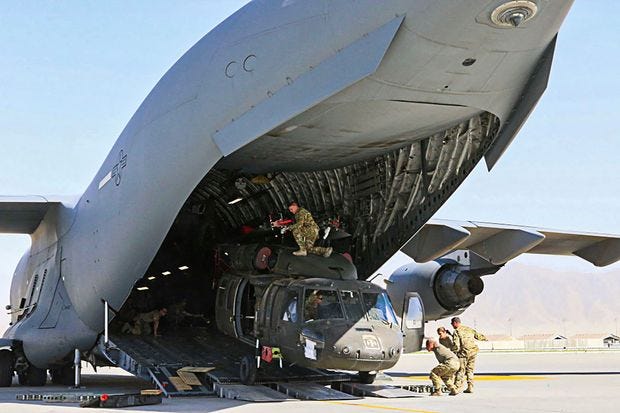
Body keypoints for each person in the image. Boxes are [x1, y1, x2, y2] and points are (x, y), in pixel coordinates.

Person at [451, 317, 487, 393]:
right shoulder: (469, 329)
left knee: (460, 370)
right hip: (473, 352)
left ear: (455, 323)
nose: (452, 325)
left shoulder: (456, 331)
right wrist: (486, 338)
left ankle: (457, 388)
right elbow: (479, 336)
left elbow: (456, 345)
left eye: (452, 323)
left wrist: (454, 352)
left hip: (463, 354)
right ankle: (470, 387)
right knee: (470, 370)